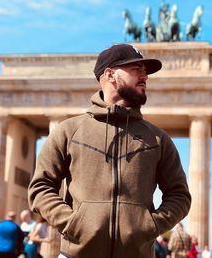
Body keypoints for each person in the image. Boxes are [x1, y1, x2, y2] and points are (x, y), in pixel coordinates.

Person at [28, 43, 191, 258]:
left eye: (146, 72)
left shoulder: (158, 139)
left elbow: (179, 195)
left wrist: (148, 226)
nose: (145, 77)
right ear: (110, 74)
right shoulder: (68, 131)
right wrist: (74, 224)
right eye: (136, 70)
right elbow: (40, 188)